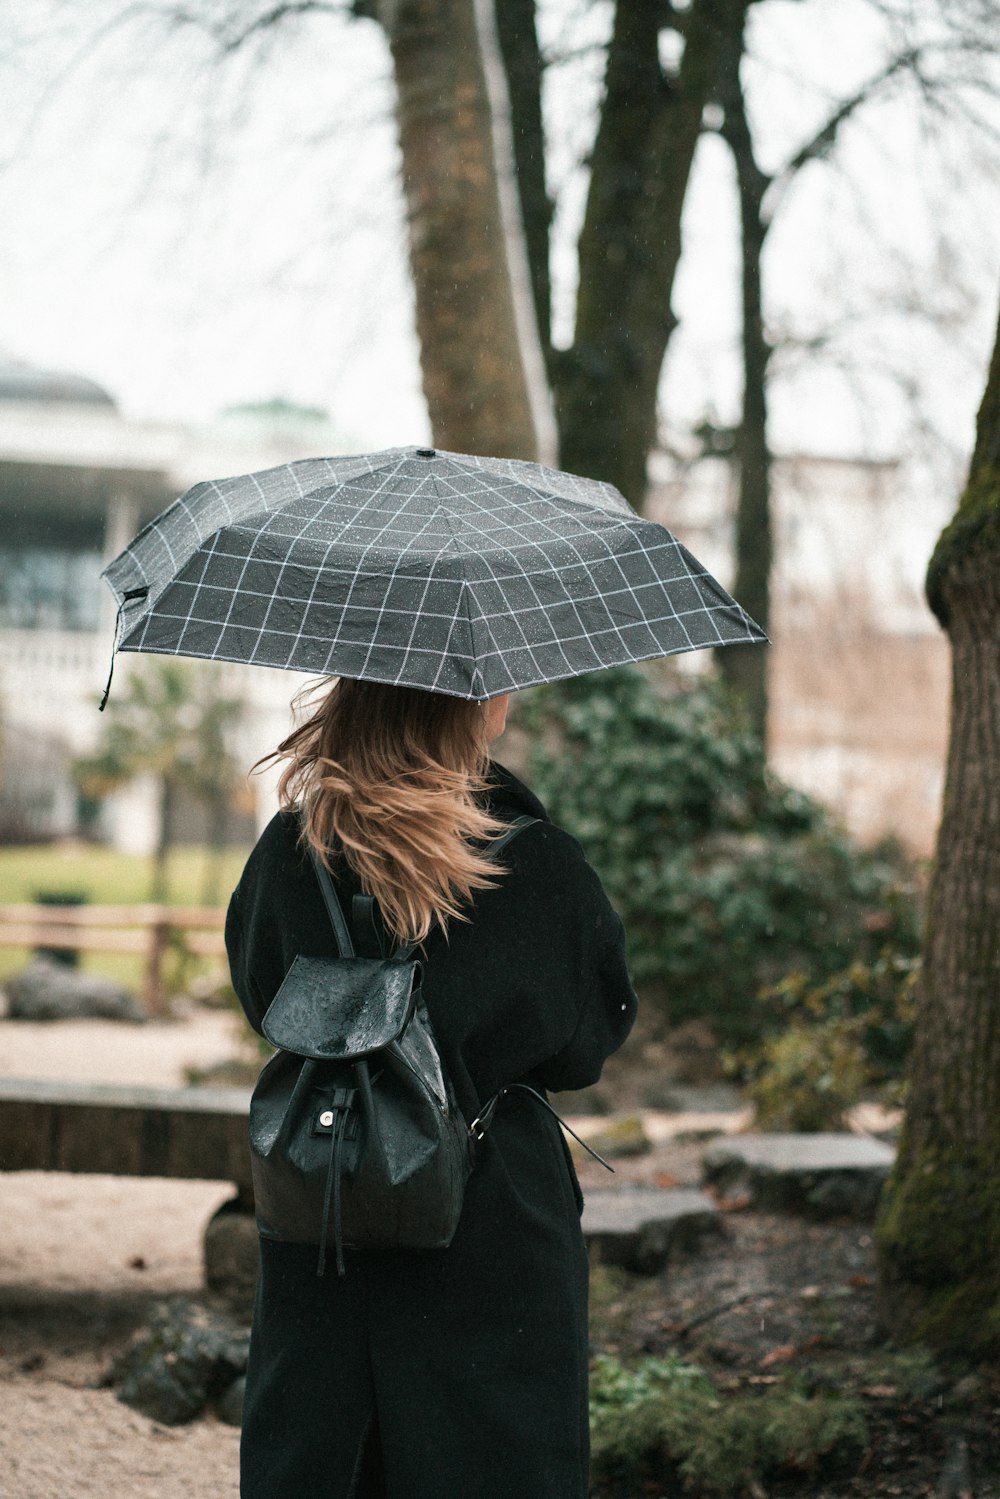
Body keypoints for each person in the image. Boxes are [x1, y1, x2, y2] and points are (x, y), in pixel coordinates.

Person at [226, 677, 638, 1499]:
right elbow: (587, 1040)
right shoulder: (532, 863)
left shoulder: (289, 850)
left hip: (326, 1196)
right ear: (472, 705)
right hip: (490, 1222)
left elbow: (261, 991)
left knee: (326, 1460)